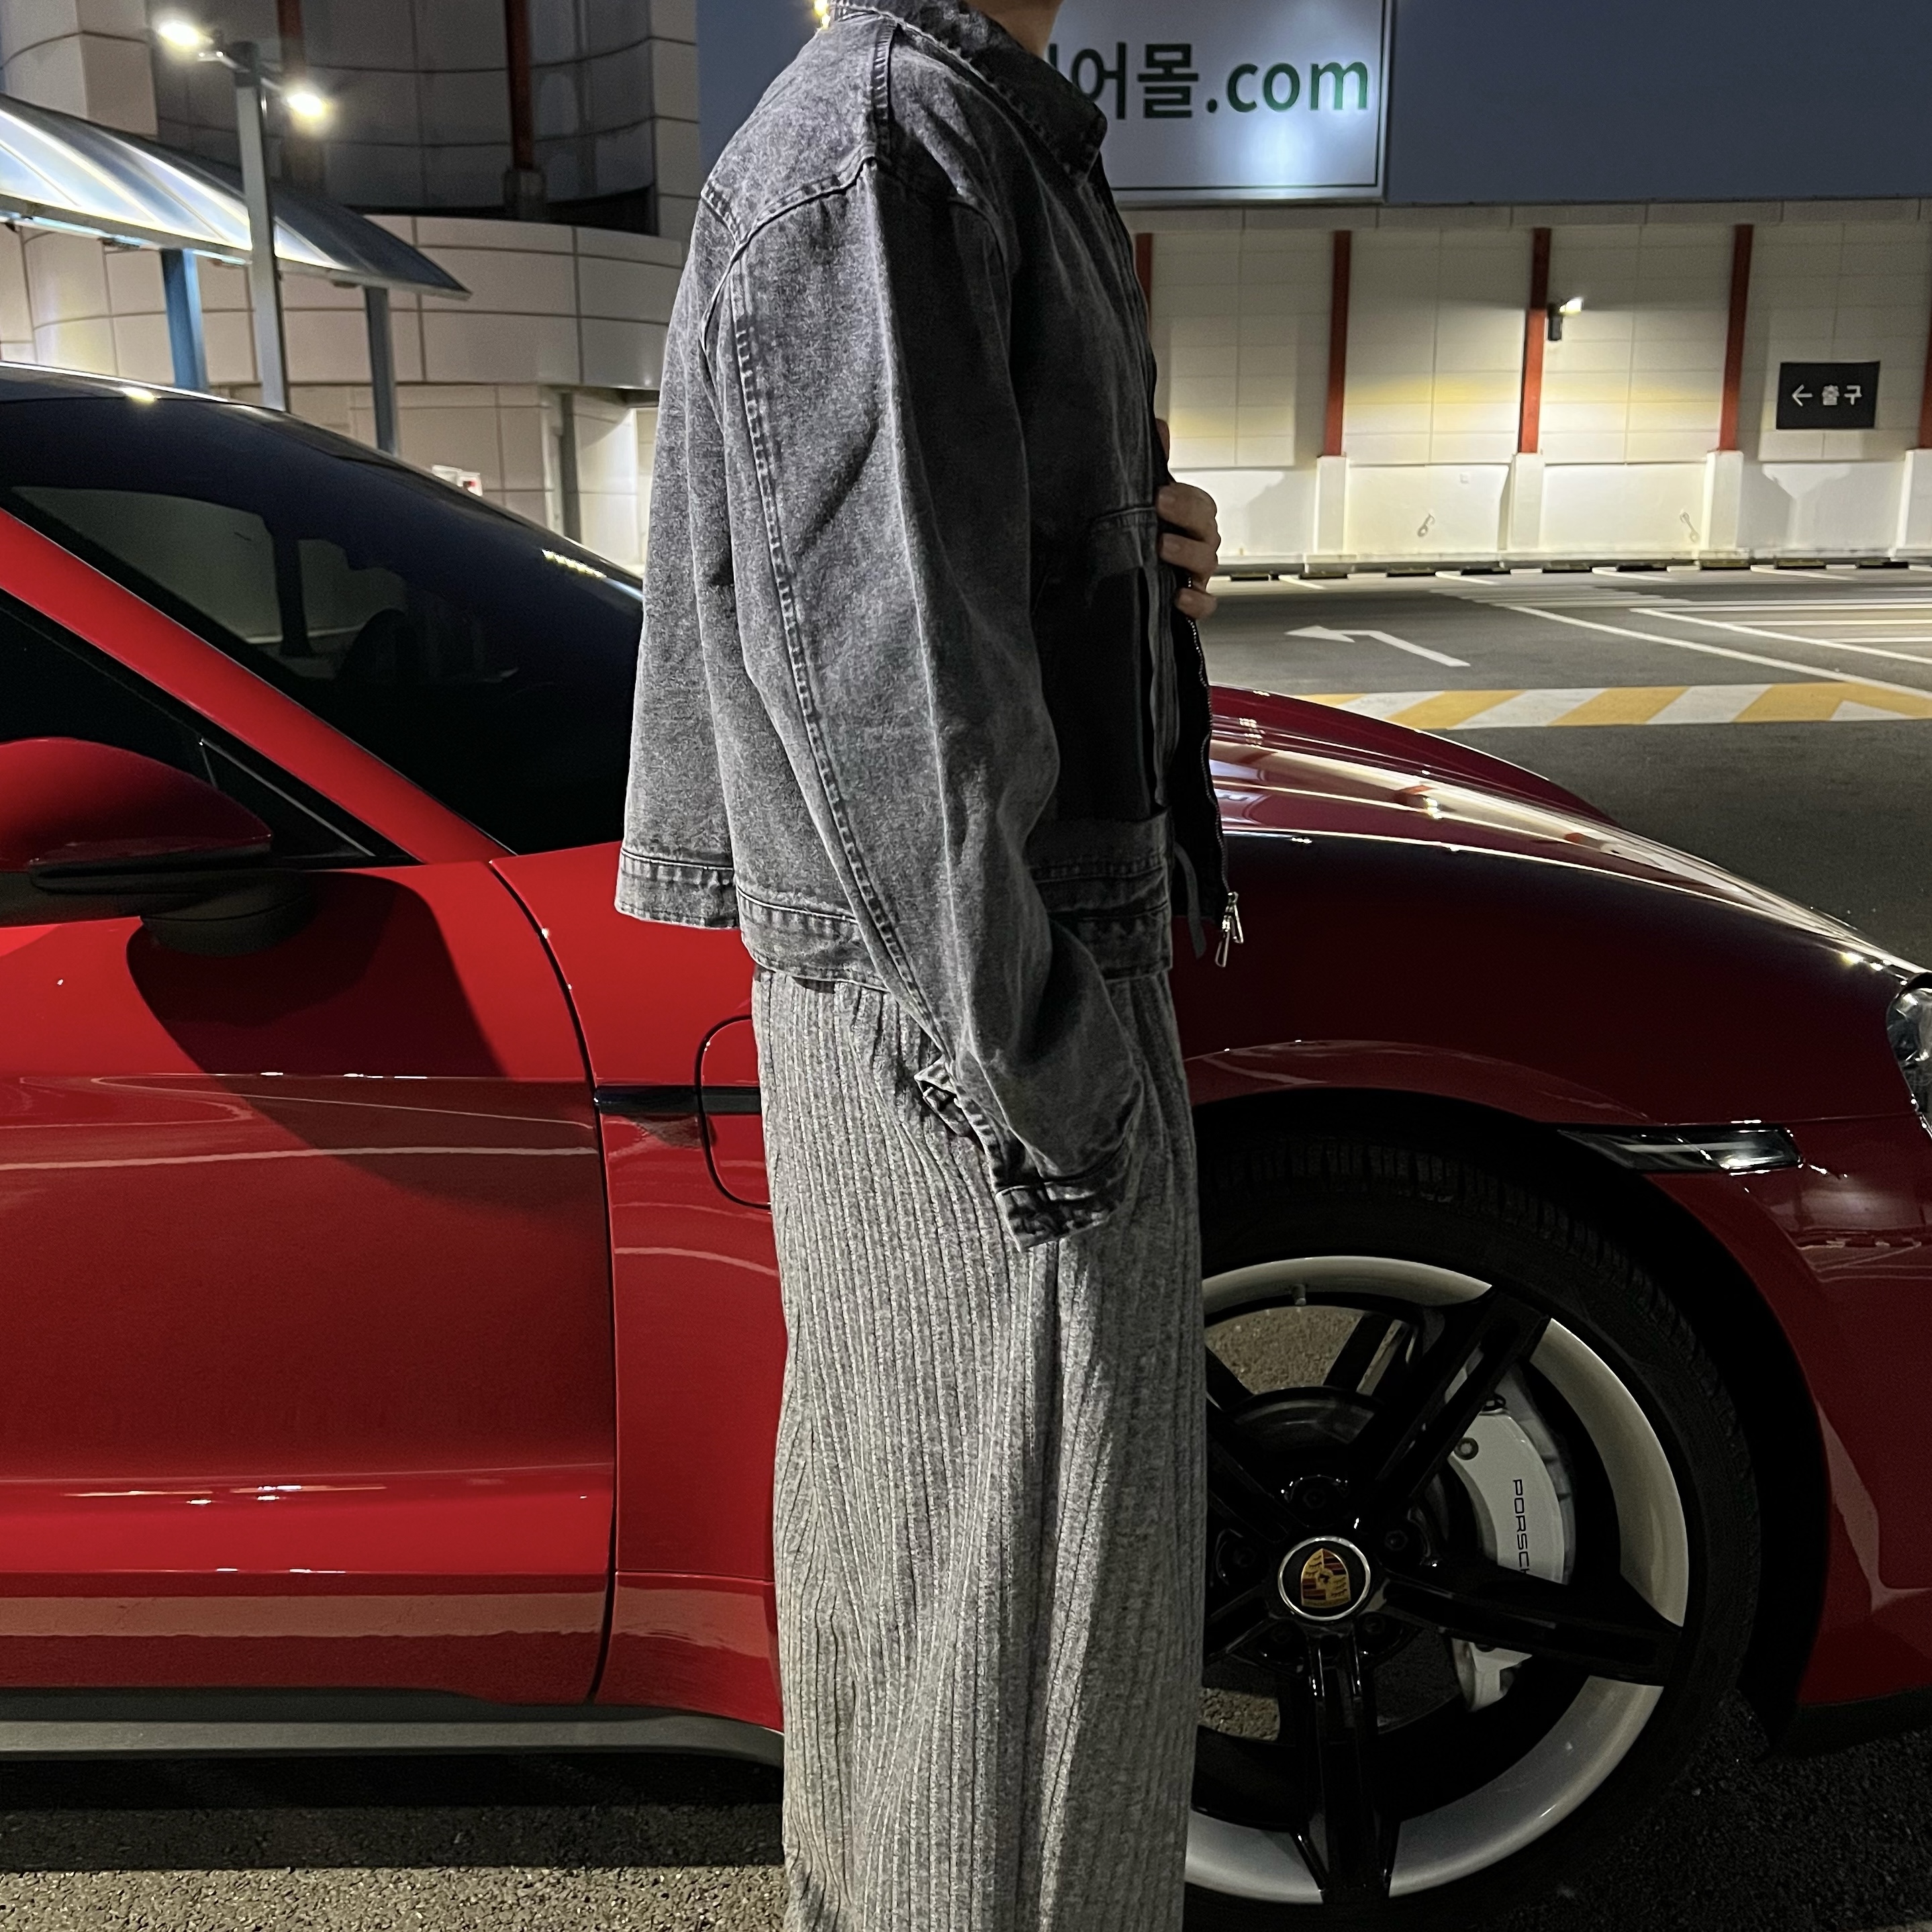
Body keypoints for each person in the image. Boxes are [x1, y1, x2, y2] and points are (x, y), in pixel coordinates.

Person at [618, 0, 1230, 1924]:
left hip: (981, 995)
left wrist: (1127, 547)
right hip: (974, 1025)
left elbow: (918, 606)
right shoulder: (885, 146)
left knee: (978, 1657)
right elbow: (884, 694)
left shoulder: (957, 133)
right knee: (1007, 1689)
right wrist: (1050, 1076)